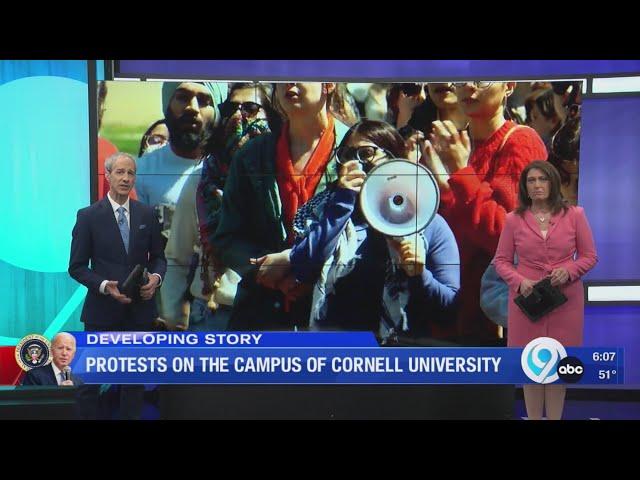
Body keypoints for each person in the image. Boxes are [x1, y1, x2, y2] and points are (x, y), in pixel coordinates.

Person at [288, 120, 460, 339]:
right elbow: (302, 269)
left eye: (367, 153)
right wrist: (342, 204)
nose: (356, 164)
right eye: (347, 155)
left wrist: (420, 275)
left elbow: (449, 309)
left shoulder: (427, 223)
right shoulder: (326, 211)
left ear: (394, 158)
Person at [211, 82, 350, 331]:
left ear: (329, 83)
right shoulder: (252, 154)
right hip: (260, 315)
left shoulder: (355, 148)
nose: (290, 81)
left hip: (335, 312)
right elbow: (226, 238)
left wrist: (300, 264)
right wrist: (267, 271)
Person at [422, 81, 548, 344]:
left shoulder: (521, 141)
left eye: (482, 79)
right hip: (447, 313)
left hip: (490, 327)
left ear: (509, 86)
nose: (468, 86)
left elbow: (509, 237)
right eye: (461, 79)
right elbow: (454, 229)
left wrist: (460, 172)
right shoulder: (454, 142)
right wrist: (441, 183)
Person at [494, 160, 597, 420]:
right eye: (531, 180)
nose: (537, 185)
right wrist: (520, 281)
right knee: (531, 368)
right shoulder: (513, 220)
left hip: (565, 301)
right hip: (528, 301)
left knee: (558, 367)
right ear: (525, 187)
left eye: (542, 179)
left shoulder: (575, 215)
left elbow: (589, 256)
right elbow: (501, 261)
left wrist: (570, 270)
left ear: (552, 183)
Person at [68, 152, 167, 419]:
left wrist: (155, 280)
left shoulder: (146, 213)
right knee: (89, 384)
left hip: (139, 313)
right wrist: (103, 285)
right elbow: (76, 267)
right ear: (108, 176)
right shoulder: (88, 216)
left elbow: (159, 258)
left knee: (133, 384)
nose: (125, 178)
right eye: (120, 172)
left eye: (130, 173)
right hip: (102, 313)